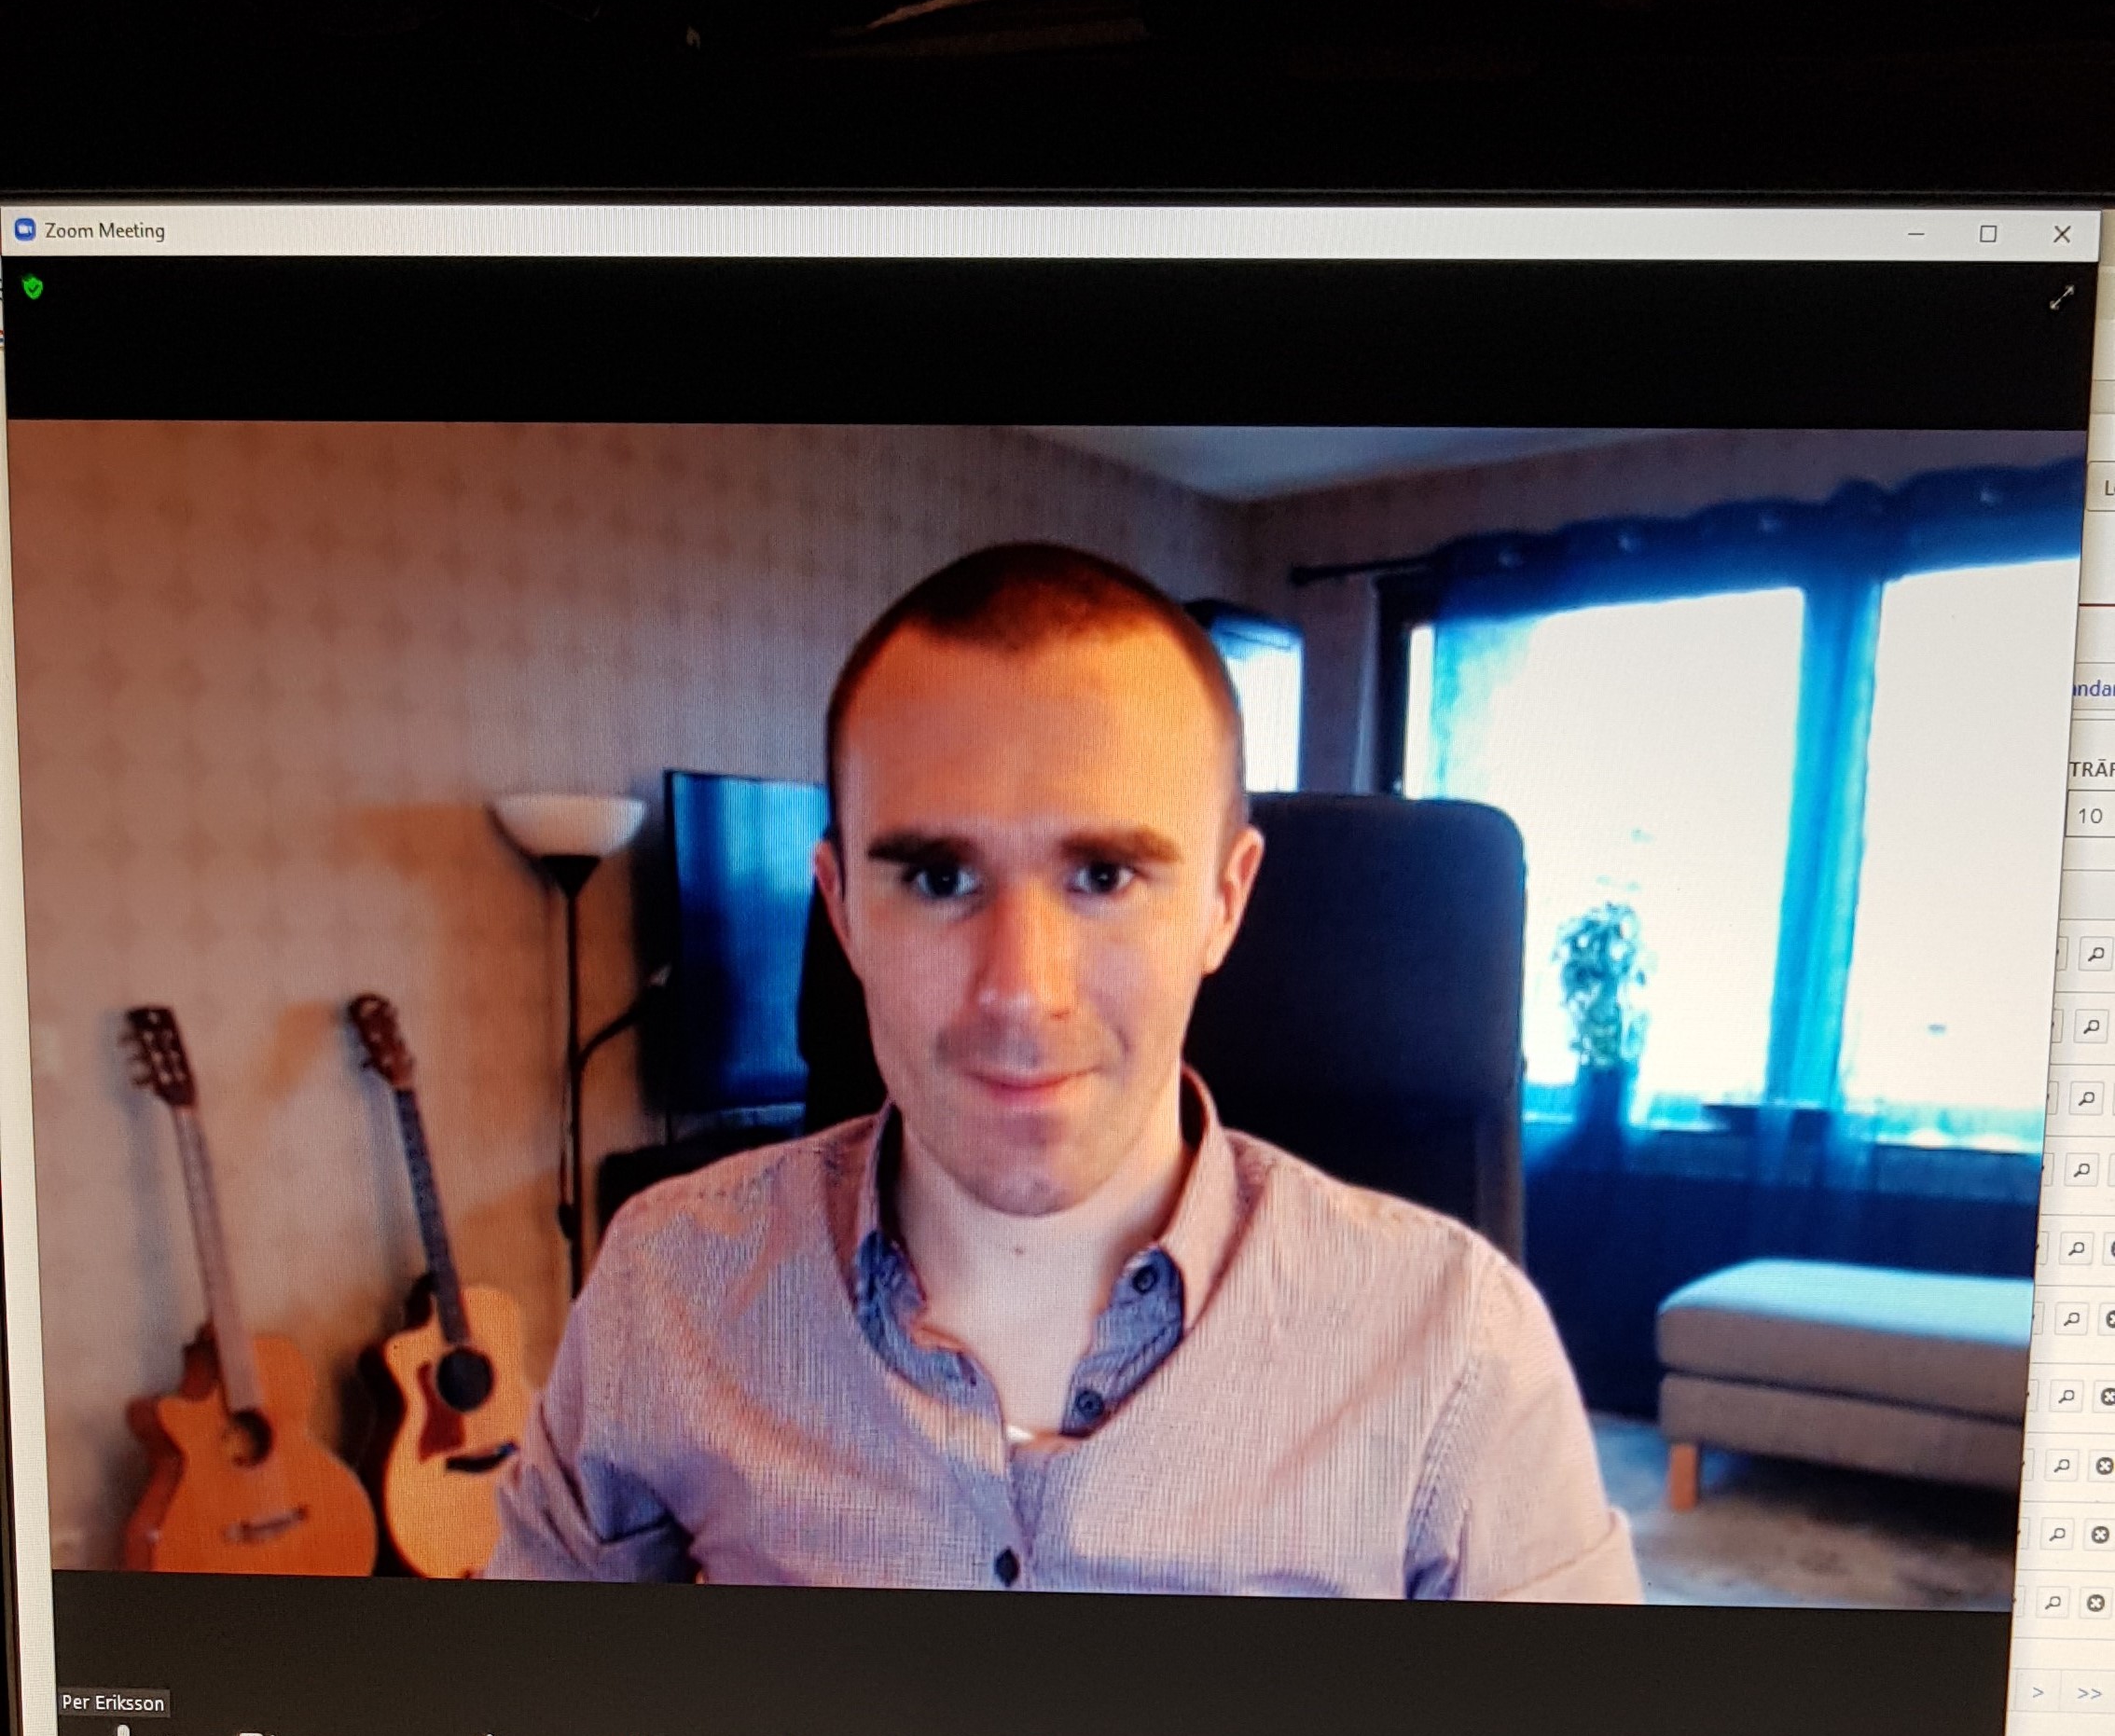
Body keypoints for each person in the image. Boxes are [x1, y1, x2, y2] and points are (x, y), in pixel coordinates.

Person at [484, 542, 1638, 1600]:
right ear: (841, 910)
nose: (1022, 992)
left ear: (1223, 901)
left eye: (1104, 877)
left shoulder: (1457, 1352)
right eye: (939, 879)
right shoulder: (667, 1286)